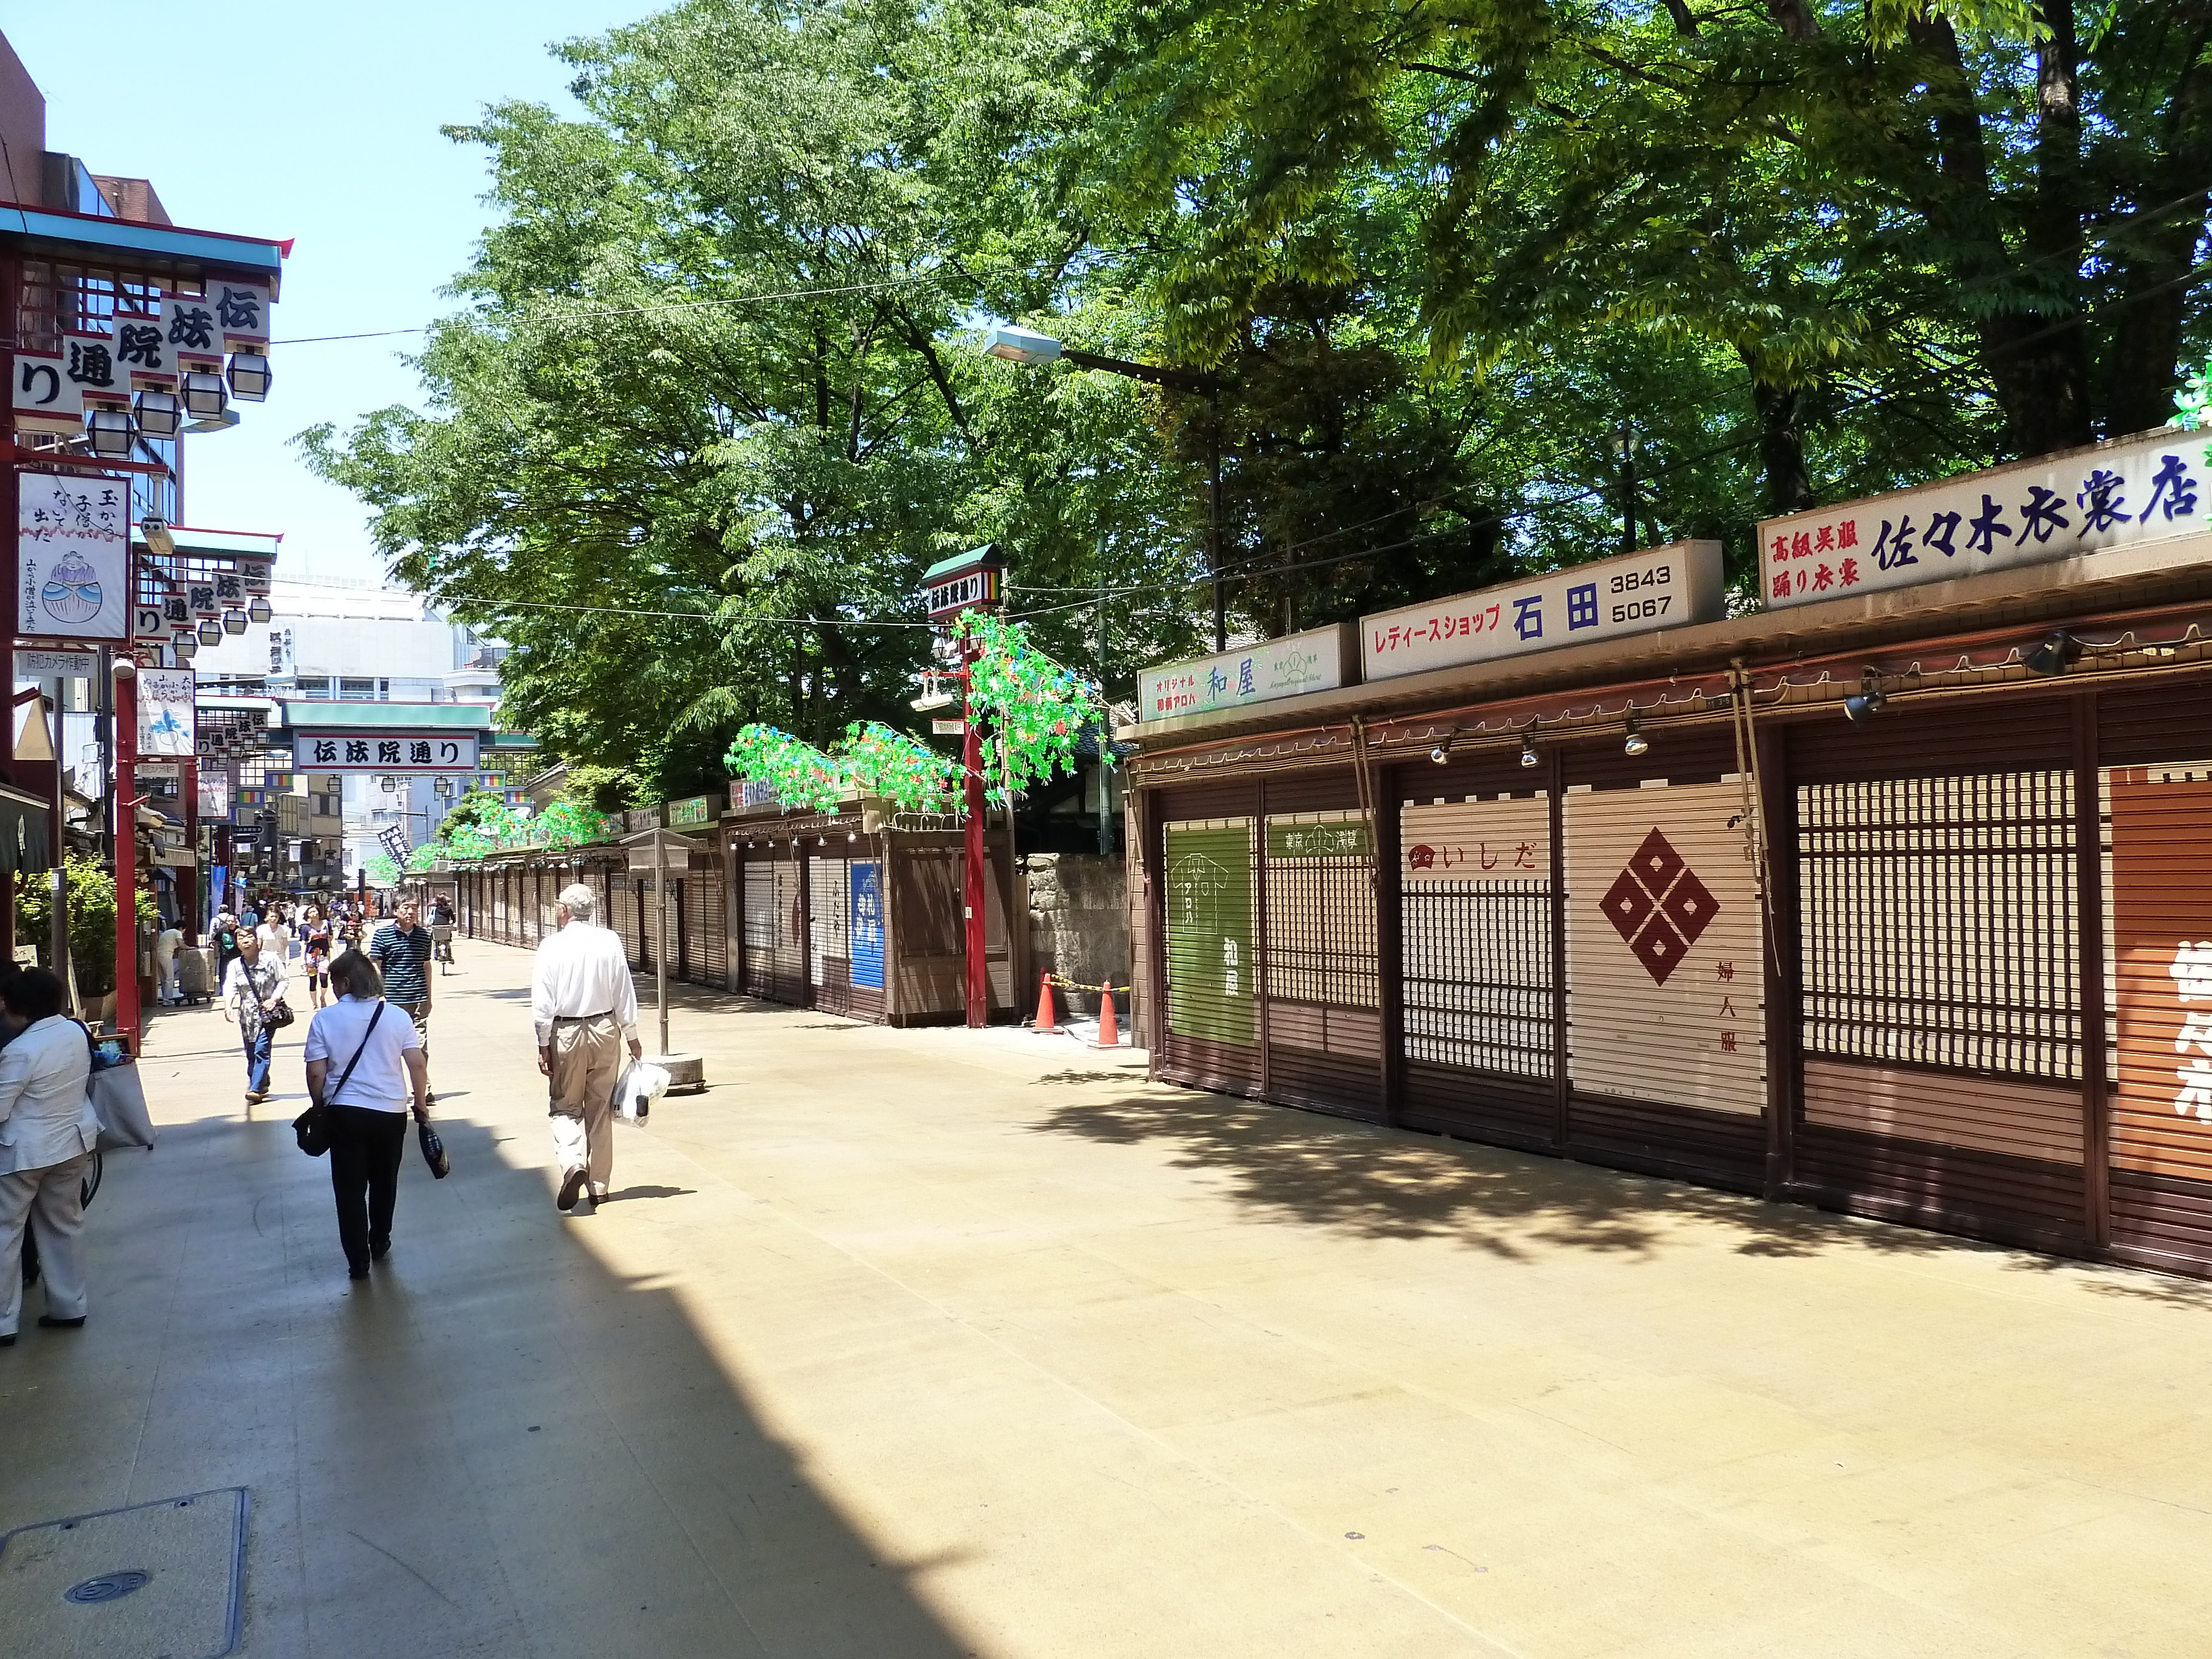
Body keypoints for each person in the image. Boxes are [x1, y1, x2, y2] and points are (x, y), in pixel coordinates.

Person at [304, 953, 430, 1280]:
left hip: (345, 1115)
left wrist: (319, 1107)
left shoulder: (324, 1020)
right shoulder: (398, 1017)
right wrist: (420, 1104)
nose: (332, 989)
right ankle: (380, 1240)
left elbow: (317, 1073)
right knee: (385, 1182)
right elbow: (416, 1063)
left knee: (349, 1189)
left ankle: (358, 1260)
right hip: (390, 1113)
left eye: (334, 983)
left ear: (345, 983)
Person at [0, 969, 98, 1344]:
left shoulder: (19, 1051)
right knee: (64, 1224)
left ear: (15, 1006)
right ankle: (70, 1305)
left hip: (23, 1154)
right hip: (71, 1142)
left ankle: (4, 1321)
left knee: (6, 1232)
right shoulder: (74, 1031)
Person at [530, 883, 641, 1213]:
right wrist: (631, 1034)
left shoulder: (551, 946)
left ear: (564, 910)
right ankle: (600, 1186)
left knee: (565, 1106)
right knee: (600, 1108)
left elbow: (542, 1002)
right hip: (606, 1029)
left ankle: (573, 1162)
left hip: (565, 1030)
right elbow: (623, 988)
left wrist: (542, 1042)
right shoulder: (610, 940)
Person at [368, 899, 437, 1105]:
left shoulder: (425, 936)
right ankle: (391, 1088)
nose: (411, 912)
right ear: (396, 910)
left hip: (418, 998)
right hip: (392, 1000)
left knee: (419, 1045)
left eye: (414, 908)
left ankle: (423, 1089)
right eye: (406, 908)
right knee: (390, 1047)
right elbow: (376, 966)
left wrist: (429, 995)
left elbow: (427, 966)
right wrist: (378, 995)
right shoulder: (382, 935)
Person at [221, 930, 287, 1104]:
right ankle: (262, 1082)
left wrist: (274, 999)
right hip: (247, 1015)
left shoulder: (271, 959)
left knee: (261, 1050)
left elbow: (283, 980)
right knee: (251, 1053)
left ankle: (255, 1088)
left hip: (267, 1013)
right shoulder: (235, 965)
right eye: (241, 938)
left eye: (249, 937)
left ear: (257, 940)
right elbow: (230, 986)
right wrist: (228, 1006)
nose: (246, 940)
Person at [300, 906, 335, 1010]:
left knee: (324, 978)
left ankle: (323, 998)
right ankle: (314, 1004)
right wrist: (302, 959)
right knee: (313, 980)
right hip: (311, 956)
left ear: (319, 912)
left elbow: (331, 939)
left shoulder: (326, 924)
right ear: (308, 915)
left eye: (315, 911)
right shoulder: (305, 928)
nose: (313, 914)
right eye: (310, 912)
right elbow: (304, 944)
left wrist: (335, 953)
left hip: (324, 955)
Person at [153, 921, 184, 1006]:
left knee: (163, 979)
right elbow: (181, 944)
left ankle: (165, 998)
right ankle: (168, 1000)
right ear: (181, 928)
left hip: (158, 955)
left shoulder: (167, 932)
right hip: (166, 955)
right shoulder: (177, 932)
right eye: (184, 930)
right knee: (170, 978)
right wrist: (190, 948)